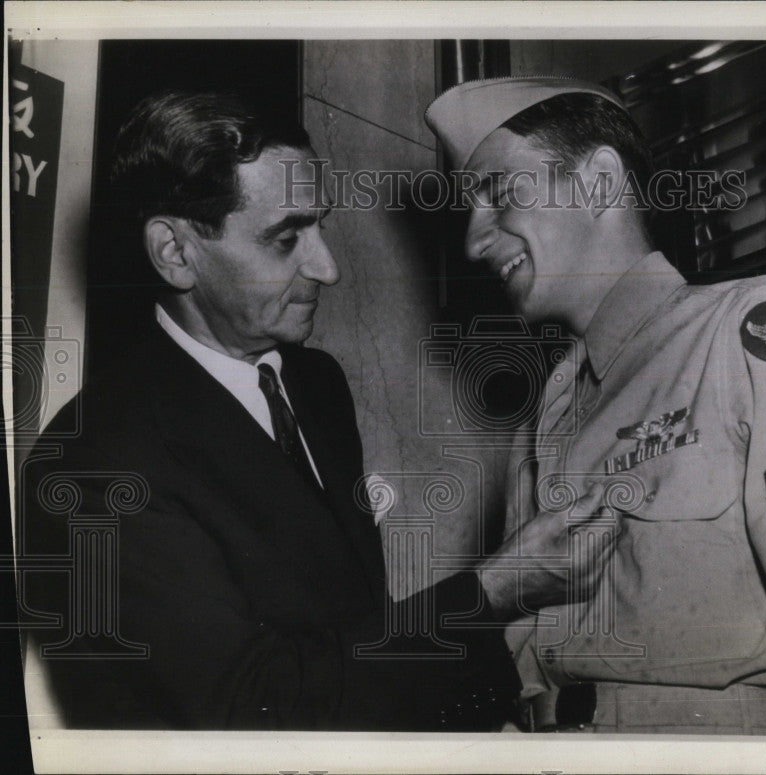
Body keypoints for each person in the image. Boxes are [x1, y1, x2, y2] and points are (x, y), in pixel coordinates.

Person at [19, 90, 612, 731]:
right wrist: (493, 590)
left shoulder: (314, 384)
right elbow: (251, 710)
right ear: (175, 252)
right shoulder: (95, 461)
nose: (326, 267)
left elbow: (355, 638)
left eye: (320, 224)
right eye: (285, 238)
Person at [425, 77, 766, 735]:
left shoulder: (756, 331)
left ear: (599, 181)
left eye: (499, 193)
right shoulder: (544, 416)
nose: (475, 240)